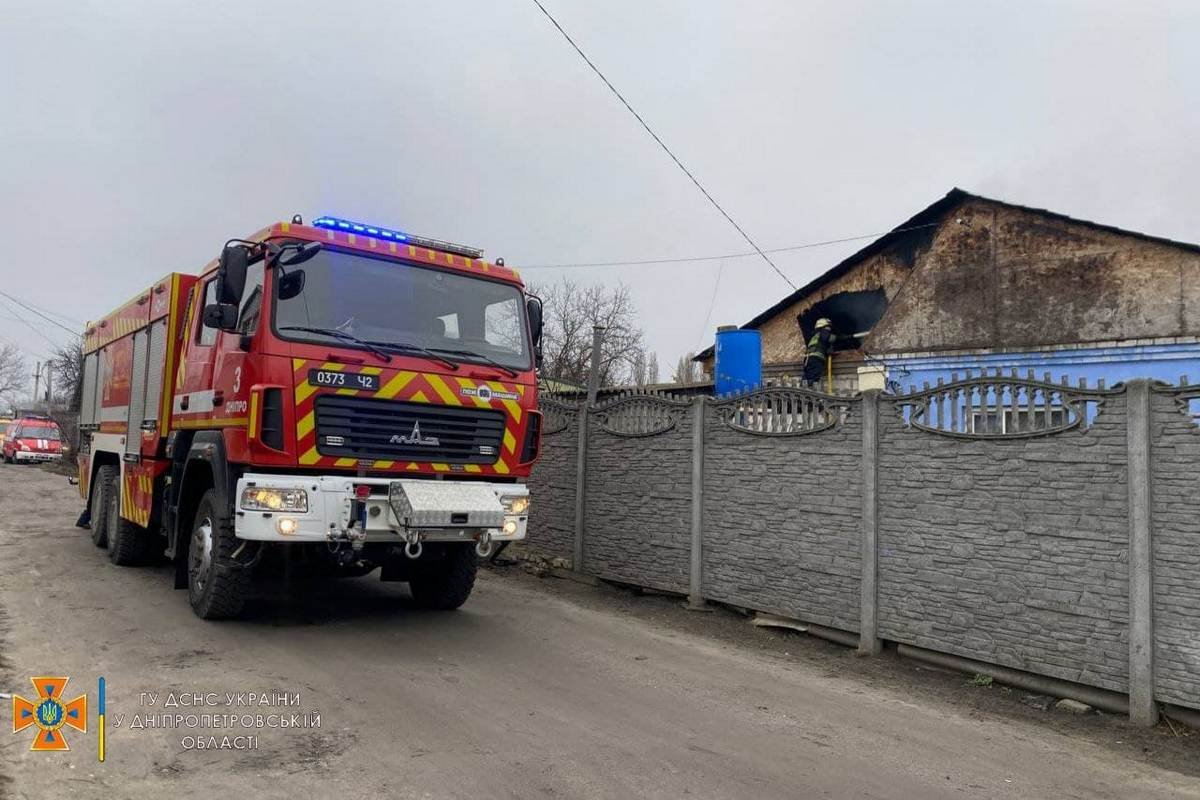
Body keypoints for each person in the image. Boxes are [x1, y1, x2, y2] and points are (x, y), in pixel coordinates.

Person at [802, 317, 836, 387]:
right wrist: (839, 338)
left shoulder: (814, 336)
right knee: (813, 379)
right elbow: (829, 338)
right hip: (816, 359)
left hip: (808, 359)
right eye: (828, 327)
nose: (829, 329)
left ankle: (802, 394)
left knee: (806, 378)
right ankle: (809, 394)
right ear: (822, 326)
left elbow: (821, 345)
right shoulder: (823, 332)